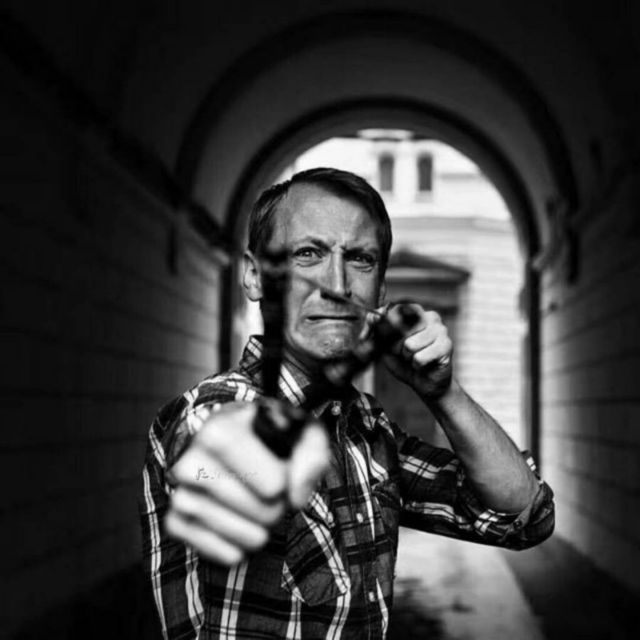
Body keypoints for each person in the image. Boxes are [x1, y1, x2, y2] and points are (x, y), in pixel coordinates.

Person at [139, 167, 554, 639]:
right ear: (255, 277)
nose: (336, 283)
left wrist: (443, 393)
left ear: (380, 291)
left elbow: (524, 516)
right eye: (307, 253)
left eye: (360, 259)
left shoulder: (367, 429)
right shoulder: (211, 412)